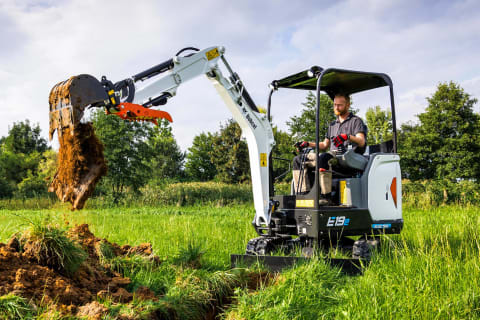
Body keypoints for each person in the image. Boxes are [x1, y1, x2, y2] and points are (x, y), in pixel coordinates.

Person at [292, 93, 367, 205]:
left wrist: (347, 137)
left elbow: (361, 141)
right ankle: (304, 195)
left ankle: (326, 197)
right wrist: (308, 144)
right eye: (335, 105)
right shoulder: (332, 124)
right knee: (299, 159)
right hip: (331, 155)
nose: (336, 107)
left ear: (348, 105)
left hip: (347, 158)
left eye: (340, 105)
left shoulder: (356, 121)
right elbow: (324, 145)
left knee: (324, 157)